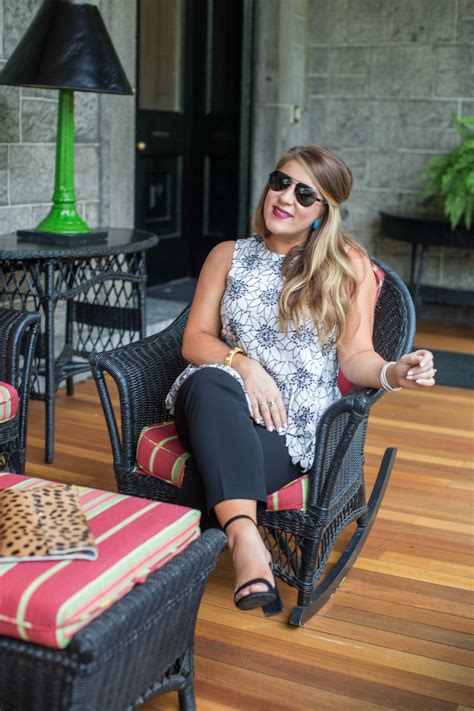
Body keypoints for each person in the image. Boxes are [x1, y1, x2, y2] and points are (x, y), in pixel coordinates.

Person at [165, 145, 436, 614]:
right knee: (211, 383)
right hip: (215, 395)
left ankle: (225, 538)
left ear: (322, 212)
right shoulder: (228, 254)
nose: (286, 196)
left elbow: (356, 357)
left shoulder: (346, 265)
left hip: (289, 426)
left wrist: (392, 372)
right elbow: (195, 340)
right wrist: (245, 366)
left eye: (305, 193)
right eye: (281, 181)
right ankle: (250, 544)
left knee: (205, 470)